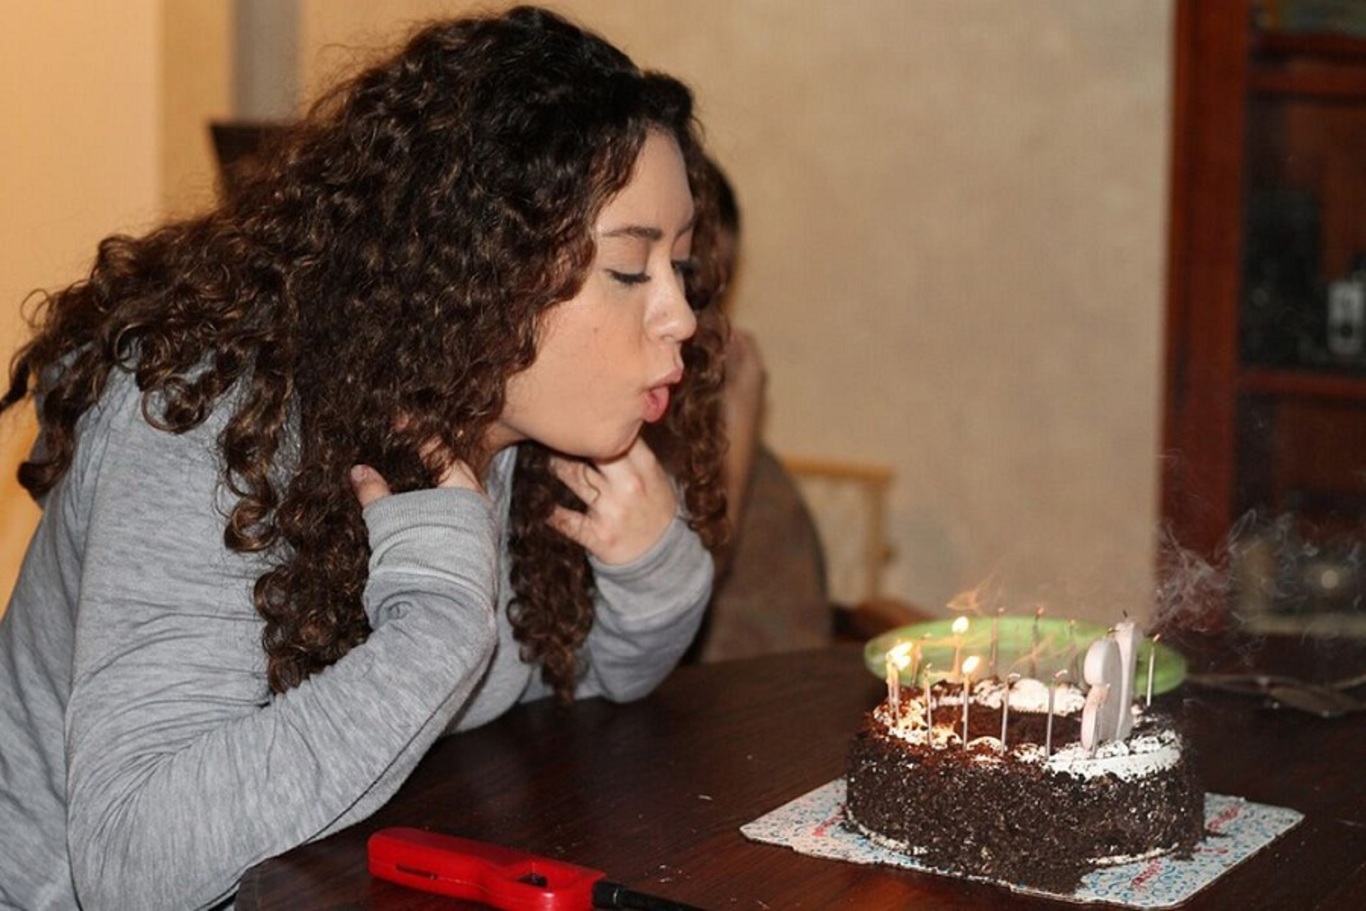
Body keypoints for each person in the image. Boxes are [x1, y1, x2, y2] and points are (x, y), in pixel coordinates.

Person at [0, 7, 727, 908]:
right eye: (628, 270)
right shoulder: (209, 423)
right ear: (482, 266)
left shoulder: (518, 436)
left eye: (681, 267)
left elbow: (586, 679)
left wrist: (650, 571)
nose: (680, 315)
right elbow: (132, 860)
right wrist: (437, 628)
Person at [689, 160, 831, 662]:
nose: (693, 323)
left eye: (713, 298)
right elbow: (687, 584)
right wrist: (742, 420)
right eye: (692, 288)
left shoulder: (762, 488)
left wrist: (738, 423)